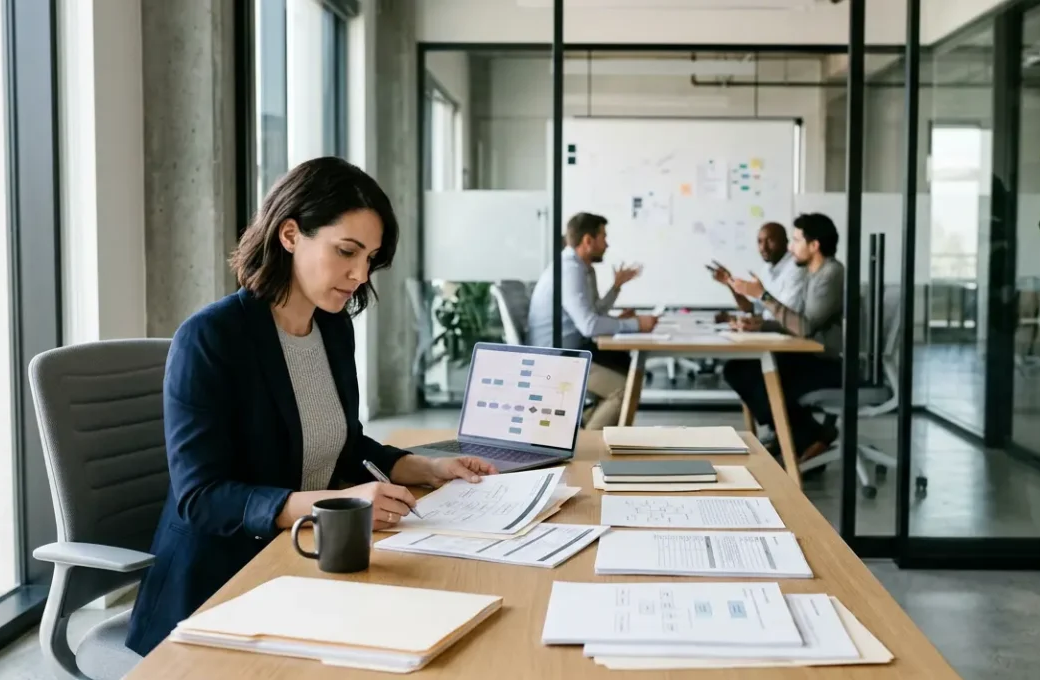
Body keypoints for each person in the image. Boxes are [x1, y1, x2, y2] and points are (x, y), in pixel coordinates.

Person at [124, 158, 497, 655]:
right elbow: (202, 497)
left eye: (370, 258)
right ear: (291, 234)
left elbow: (344, 445)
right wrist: (333, 507)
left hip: (304, 562)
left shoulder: (332, 327)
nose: (360, 274)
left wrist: (425, 467)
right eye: (346, 251)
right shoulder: (211, 338)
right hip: (219, 585)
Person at [723, 213, 844, 465]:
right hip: (808, 355)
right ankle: (799, 434)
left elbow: (806, 326)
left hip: (826, 363)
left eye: (796, 240)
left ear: (814, 245)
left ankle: (802, 435)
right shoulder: (812, 273)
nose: (790, 247)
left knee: (752, 373)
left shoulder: (830, 274)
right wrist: (760, 324)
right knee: (740, 368)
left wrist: (763, 295)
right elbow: (793, 322)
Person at [527, 212, 657, 429]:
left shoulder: (583, 268)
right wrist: (636, 324)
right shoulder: (569, 270)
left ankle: (580, 431)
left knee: (628, 369)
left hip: (574, 348)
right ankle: (590, 444)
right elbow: (589, 325)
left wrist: (616, 287)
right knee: (625, 389)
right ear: (588, 240)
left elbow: (594, 312)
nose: (606, 244)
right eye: (603, 237)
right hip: (556, 356)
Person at [706, 221, 804, 323]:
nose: (763, 248)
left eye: (770, 240)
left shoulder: (796, 268)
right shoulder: (767, 269)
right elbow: (754, 309)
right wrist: (729, 282)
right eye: (760, 242)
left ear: (785, 241)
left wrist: (760, 294)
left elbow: (785, 317)